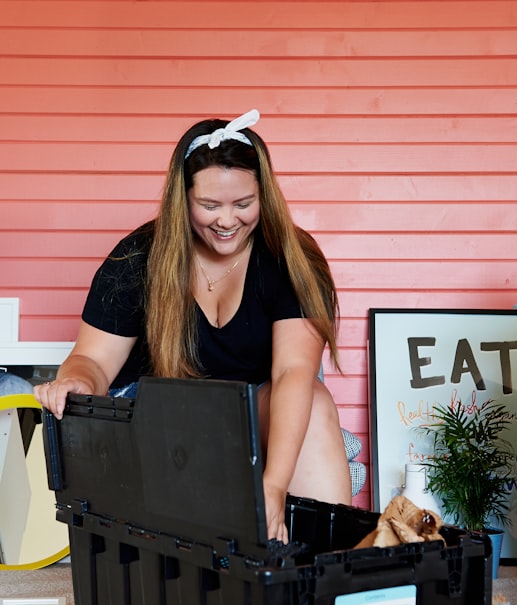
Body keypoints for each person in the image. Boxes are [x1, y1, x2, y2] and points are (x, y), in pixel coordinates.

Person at [34, 109, 352, 543]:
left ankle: (326, 576)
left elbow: (293, 372)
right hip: (159, 418)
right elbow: (93, 359)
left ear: (265, 195)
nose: (226, 220)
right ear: (181, 198)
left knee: (313, 403)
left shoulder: (292, 257)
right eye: (209, 205)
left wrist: (273, 488)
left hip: (246, 415)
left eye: (243, 204)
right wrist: (74, 382)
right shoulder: (137, 257)